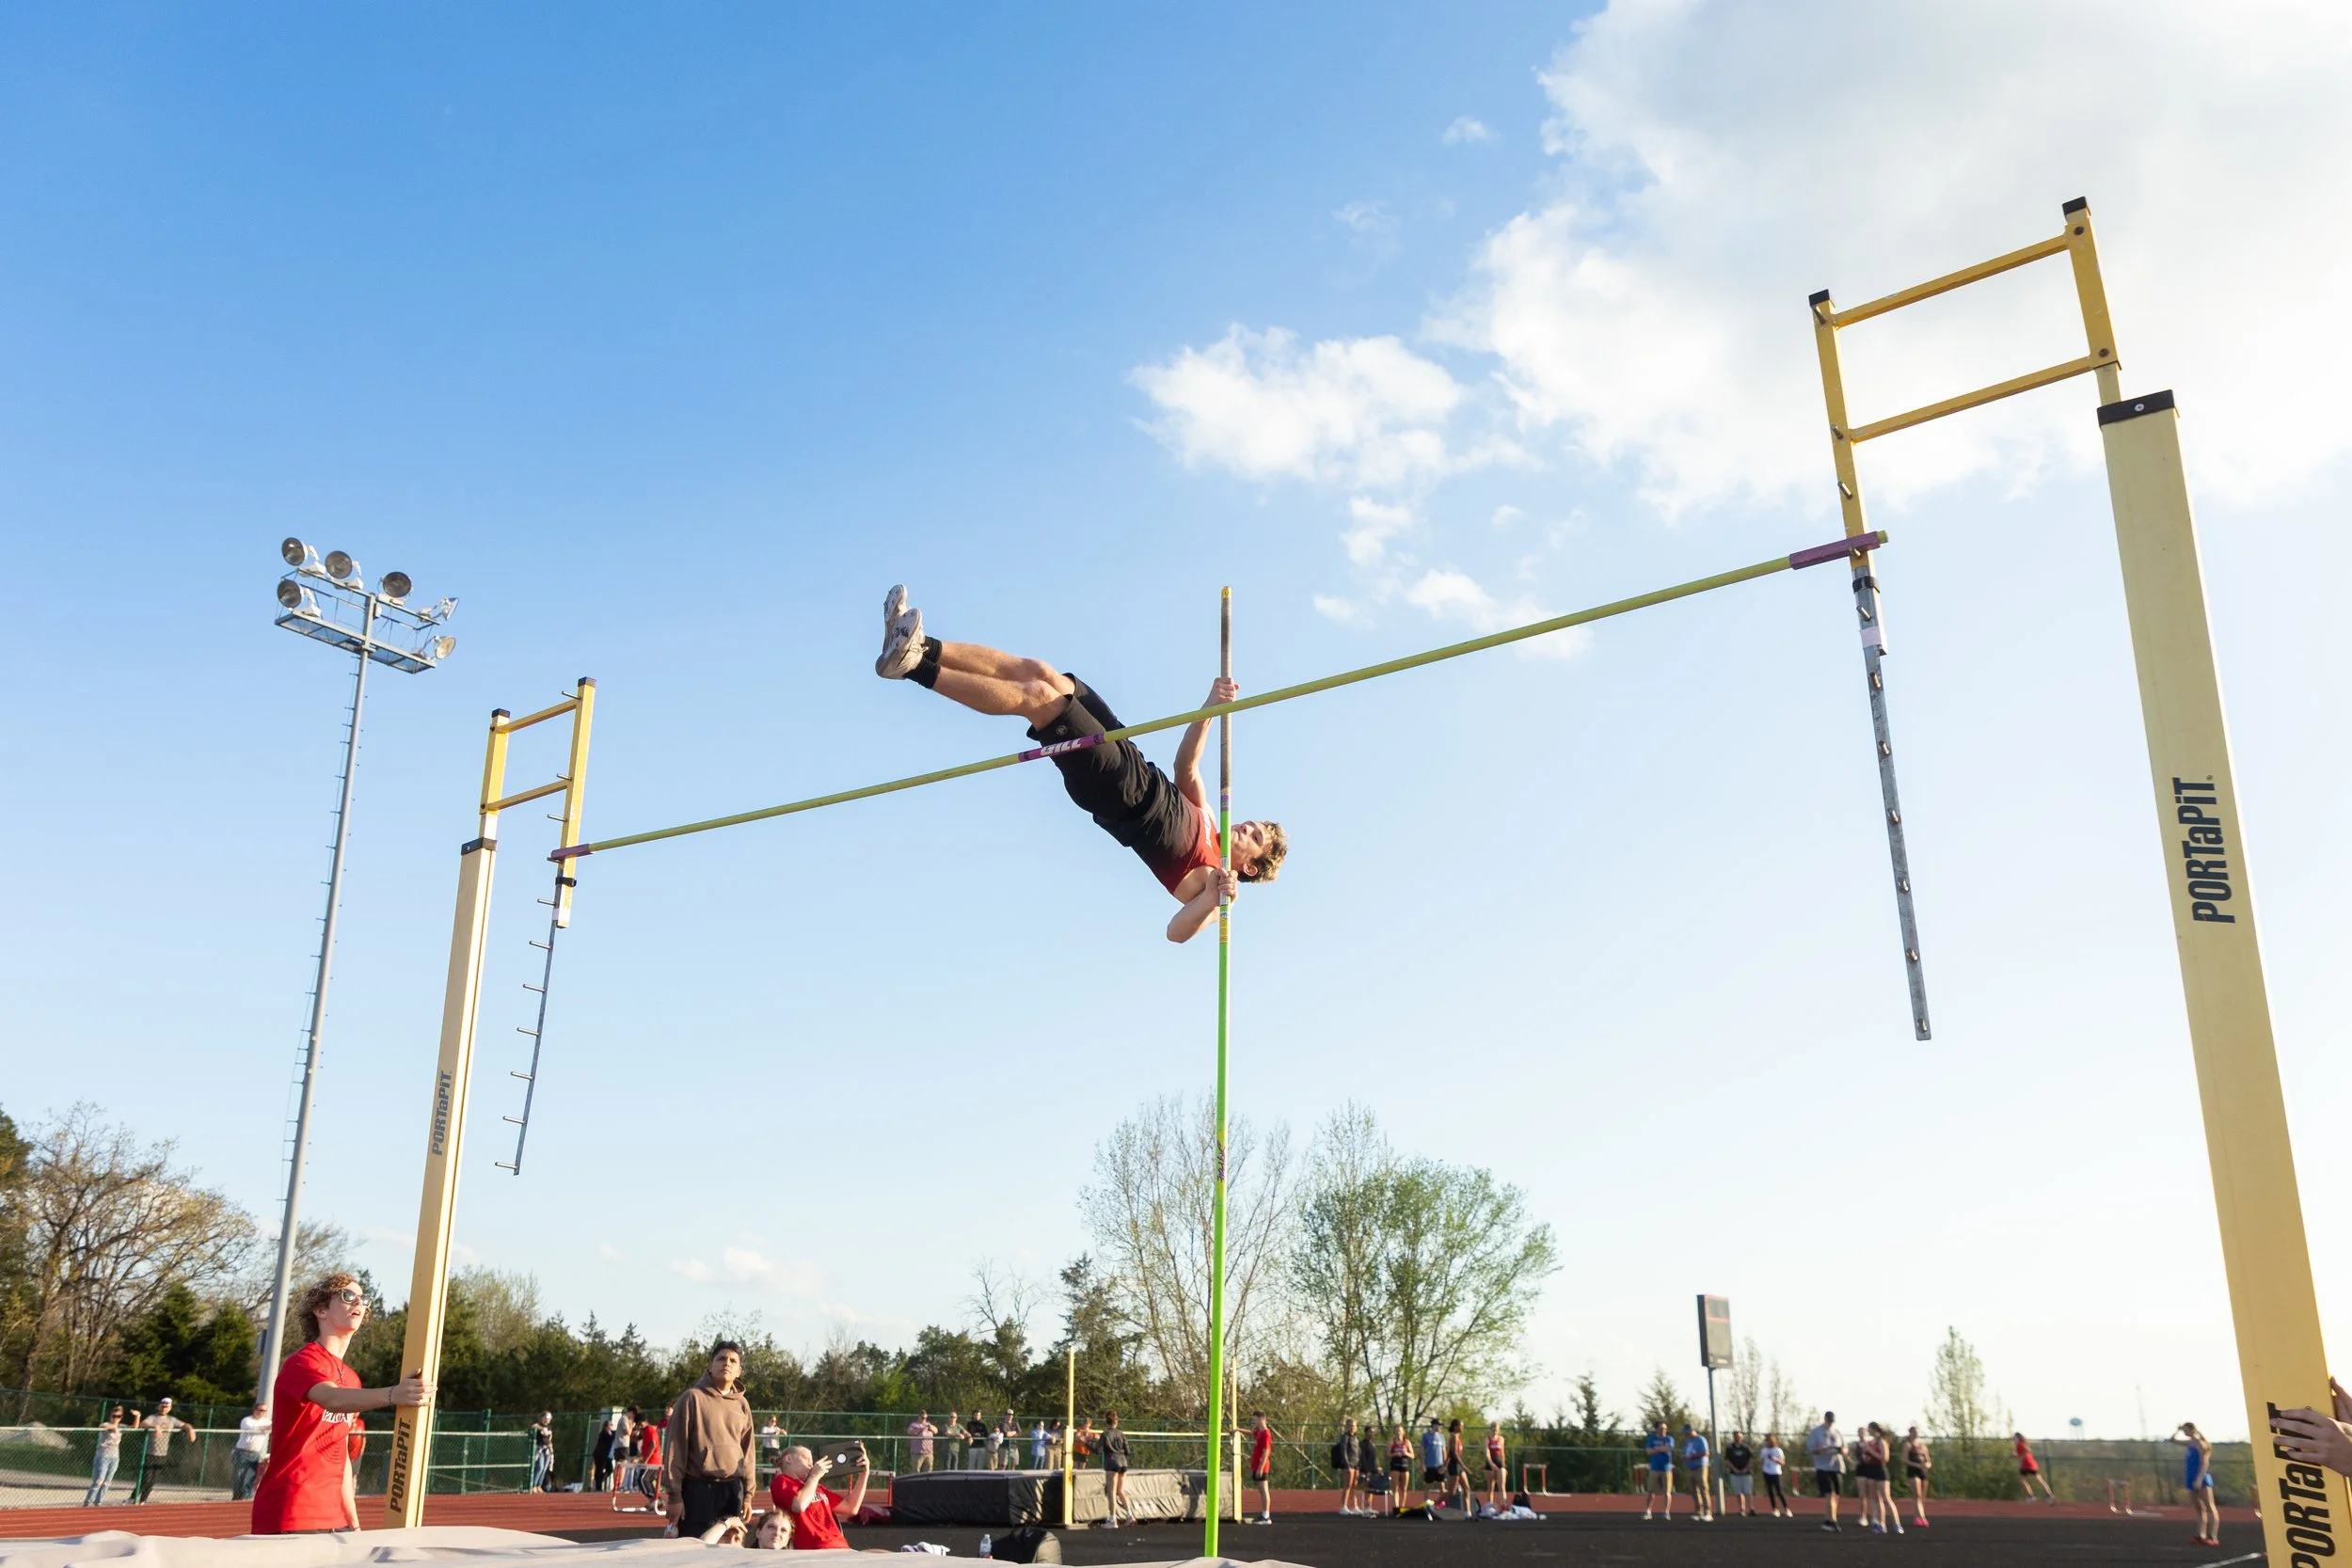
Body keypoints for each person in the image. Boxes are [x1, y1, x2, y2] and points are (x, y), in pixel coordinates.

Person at [874, 589, 1289, 941]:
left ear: (1250, 865)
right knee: (1043, 673)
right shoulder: (1211, 822)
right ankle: (918, 643)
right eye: (1250, 824)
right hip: (1134, 759)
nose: (1244, 826)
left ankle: (913, 668)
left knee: (1037, 697)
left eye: (1252, 836)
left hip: (1119, 793)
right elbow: (1187, 766)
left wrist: (1217, 896)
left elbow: (1176, 932)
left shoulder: (1213, 887)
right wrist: (1209, 707)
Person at [250, 1272, 430, 1533]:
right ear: (321, 1309)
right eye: (347, 1296)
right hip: (292, 1510)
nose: (358, 1303)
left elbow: (342, 1453)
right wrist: (393, 1394)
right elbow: (332, 1398)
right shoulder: (303, 1362)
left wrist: (352, 1518)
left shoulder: (353, 1378)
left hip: (335, 1518)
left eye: (362, 1298)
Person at [662, 1341, 756, 1539]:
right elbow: (675, 1450)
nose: (727, 1363)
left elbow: (748, 1453)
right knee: (694, 1551)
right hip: (697, 1490)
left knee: (729, 1552)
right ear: (710, 1365)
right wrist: (674, 1496)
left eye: (733, 1361)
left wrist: (748, 1495)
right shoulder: (691, 1398)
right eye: (721, 1359)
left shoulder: (742, 1404)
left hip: (732, 1491)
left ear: (739, 1371)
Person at [769, 1442, 870, 1551]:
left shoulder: (815, 1487)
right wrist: (814, 1476)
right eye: (806, 1459)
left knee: (885, 1556)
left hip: (840, 1546)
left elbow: (851, 1507)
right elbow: (799, 1505)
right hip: (816, 1548)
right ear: (788, 1459)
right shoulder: (781, 1481)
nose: (811, 1465)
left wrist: (864, 1474)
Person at [2171, 1421, 2219, 1546]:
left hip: (2201, 1478)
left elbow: (2205, 1463)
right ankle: (2200, 1535)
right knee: (2199, 1508)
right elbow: (2172, 1440)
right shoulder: (2190, 1443)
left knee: (2209, 1506)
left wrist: (2199, 1479)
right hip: (2191, 1478)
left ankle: (2213, 1536)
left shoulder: (2200, 1444)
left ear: (2192, 1430)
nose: (2185, 1433)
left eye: (2186, 1430)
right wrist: (2177, 1430)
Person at [132, 1397, 183, 1503]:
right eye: (163, 1406)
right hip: (150, 1453)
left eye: (166, 1407)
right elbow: (143, 1424)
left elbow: (184, 1425)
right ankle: (132, 1498)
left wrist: (190, 1429)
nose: (164, 1408)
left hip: (162, 1454)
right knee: (146, 1479)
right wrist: (155, 1426)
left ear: (170, 1408)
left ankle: (143, 1501)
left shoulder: (171, 1420)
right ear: (160, 1406)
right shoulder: (153, 1417)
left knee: (152, 1481)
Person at [1855, 1422, 1901, 1535]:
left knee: (1886, 1498)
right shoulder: (1870, 1442)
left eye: (1869, 1429)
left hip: (1880, 1471)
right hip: (1871, 1471)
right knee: (1875, 1499)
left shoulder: (1882, 1442)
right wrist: (1865, 1456)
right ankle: (1881, 1524)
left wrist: (1871, 1452)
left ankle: (1896, 1524)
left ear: (1875, 1429)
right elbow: (1867, 1458)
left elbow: (1885, 1459)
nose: (1868, 1431)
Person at [1805, 1411, 1844, 1532]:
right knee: (1829, 1494)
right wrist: (1822, 1450)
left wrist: (1842, 1451)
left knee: (1836, 1496)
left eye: (1832, 1422)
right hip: (1823, 1467)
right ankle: (1833, 1521)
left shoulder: (1837, 1432)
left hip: (1837, 1467)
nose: (1830, 1424)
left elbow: (1845, 1448)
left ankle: (1828, 1519)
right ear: (1825, 1419)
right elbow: (1811, 1449)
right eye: (1828, 1421)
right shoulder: (1816, 1432)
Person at [86, 1404, 130, 1506]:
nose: (115, 1418)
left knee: (107, 1482)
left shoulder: (121, 1426)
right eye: (114, 1416)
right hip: (103, 1456)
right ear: (110, 1416)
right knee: (98, 1480)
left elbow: (135, 1427)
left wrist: (137, 1416)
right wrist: (114, 1427)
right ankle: (88, 1502)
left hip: (114, 1457)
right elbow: (102, 1426)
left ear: (121, 1417)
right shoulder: (106, 1424)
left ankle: (98, 1502)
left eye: (118, 1416)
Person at [1098, 1411, 1133, 1528]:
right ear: (1116, 1422)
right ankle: (1130, 1515)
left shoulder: (1105, 1434)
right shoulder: (1121, 1433)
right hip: (1123, 1462)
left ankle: (1113, 1520)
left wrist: (1086, 1444)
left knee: (1112, 1492)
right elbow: (1128, 1451)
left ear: (1106, 1422)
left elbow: (1098, 1451)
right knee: (1121, 1491)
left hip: (1112, 1463)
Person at [231, 1403, 271, 1502]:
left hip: (256, 1453)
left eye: (264, 1411)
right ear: (255, 1410)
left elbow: (271, 1428)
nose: (262, 1413)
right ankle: (237, 1497)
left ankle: (247, 1491)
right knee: (239, 1476)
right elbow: (250, 1429)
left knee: (259, 1474)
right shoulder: (247, 1420)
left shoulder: (266, 1421)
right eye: (260, 1410)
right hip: (242, 1452)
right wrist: (264, 1428)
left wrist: (266, 1427)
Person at [1247, 1411, 1276, 1524]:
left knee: (1264, 1490)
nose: (1253, 1421)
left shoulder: (1266, 1434)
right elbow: (1251, 1433)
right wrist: (1238, 1430)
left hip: (1262, 1466)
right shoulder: (1259, 1432)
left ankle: (1266, 1516)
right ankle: (1264, 1513)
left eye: (1254, 1419)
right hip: (1256, 1465)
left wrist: (1260, 1468)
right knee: (1261, 1490)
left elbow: (1266, 1452)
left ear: (1260, 1419)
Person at [1643, 1420, 1675, 1520]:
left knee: (1667, 1492)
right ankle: (1648, 1511)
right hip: (1654, 1468)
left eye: (1665, 1428)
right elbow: (1648, 1451)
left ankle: (1666, 1512)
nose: (1663, 1430)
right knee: (1651, 1491)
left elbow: (1668, 1449)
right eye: (1661, 1429)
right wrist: (1661, 1449)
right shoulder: (1651, 1439)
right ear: (1657, 1429)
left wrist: (1655, 1449)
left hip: (1666, 1469)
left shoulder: (1669, 1439)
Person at [1901, 1426, 1932, 1528]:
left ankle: (1918, 1516)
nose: (1916, 1433)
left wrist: (1927, 1465)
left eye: (1917, 1432)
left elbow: (1928, 1461)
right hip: (1913, 1471)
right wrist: (1917, 1465)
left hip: (1922, 1472)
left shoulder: (1923, 1446)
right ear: (1910, 1433)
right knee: (1917, 1495)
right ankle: (1922, 1518)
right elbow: (1904, 1460)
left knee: (1922, 1497)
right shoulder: (1908, 1445)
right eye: (1914, 1432)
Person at [1682, 1423, 1713, 1521]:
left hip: (1700, 1466)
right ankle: (1698, 1511)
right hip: (1690, 1467)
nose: (1687, 1434)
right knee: (1693, 1490)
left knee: (1703, 1488)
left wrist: (1693, 1456)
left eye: (1689, 1432)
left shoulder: (1701, 1440)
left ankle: (1708, 1512)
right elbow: (1686, 1452)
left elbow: (1705, 1452)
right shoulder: (1687, 1442)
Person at [1332, 1418, 1363, 1516]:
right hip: (1348, 1465)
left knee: (1354, 1486)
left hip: (1356, 1464)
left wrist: (1359, 1465)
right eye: (1350, 1426)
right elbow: (1343, 1451)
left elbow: (1358, 1452)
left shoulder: (1356, 1438)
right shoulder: (1345, 1437)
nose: (1352, 1428)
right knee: (1347, 1485)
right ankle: (1343, 1507)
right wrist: (1347, 1465)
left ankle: (1355, 1506)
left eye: (1354, 1426)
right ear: (1347, 1427)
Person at [2012, 1431, 2054, 1502]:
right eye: (2014, 1438)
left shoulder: (2020, 1444)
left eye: (2015, 1438)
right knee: (2026, 1480)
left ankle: (2034, 1496)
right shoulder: (2018, 1446)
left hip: (2028, 1465)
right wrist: (2016, 1455)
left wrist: (2022, 1456)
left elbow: (2028, 1450)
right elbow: (2022, 1455)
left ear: (2019, 1438)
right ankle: (2046, 1495)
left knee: (2036, 1480)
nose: (2014, 1439)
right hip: (2027, 1465)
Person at [1722, 1430, 1755, 1517]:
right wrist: (1734, 1469)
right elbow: (1727, 1460)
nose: (1737, 1438)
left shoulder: (1746, 1447)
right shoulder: (1730, 1448)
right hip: (1735, 1473)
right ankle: (1741, 1509)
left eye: (1739, 1436)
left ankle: (1751, 1508)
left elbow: (1751, 1459)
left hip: (1746, 1473)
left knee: (1748, 1492)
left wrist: (1746, 1469)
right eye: (1736, 1436)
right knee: (1738, 1492)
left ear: (1742, 1437)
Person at [1759, 1432, 1790, 1518]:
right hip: (1766, 1472)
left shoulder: (1778, 1450)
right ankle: (1775, 1509)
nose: (1768, 1442)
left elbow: (1783, 1462)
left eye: (1769, 1440)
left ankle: (1787, 1509)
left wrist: (1775, 1459)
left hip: (1776, 1473)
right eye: (1767, 1440)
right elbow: (1762, 1461)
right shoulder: (1764, 1450)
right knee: (1770, 1492)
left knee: (1779, 1492)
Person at [1420, 1418, 1448, 1511]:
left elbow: (1444, 1451)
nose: (1440, 1427)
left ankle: (1442, 1505)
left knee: (1442, 1486)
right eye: (1439, 1425)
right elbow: (1422, 1450)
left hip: (1440, 1466)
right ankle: (1427, 1505)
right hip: (1429, 1465)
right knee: (1428, 1485)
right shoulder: (1426, 1436)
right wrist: (1423, 1464)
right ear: (1434, 1425)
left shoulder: (1442, 1437)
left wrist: (1445, 1465)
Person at [1444, 1418, 1470, 1515]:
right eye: (1461, 1426)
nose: (1462, 1428)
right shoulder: (1453, 1437)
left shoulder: (1458, 1437)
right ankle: (1434, 1505)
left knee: (1467, 1488)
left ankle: (1468, 1513)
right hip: (1455, 1465)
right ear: (1455, 1427)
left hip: (1459, 1466)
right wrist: (1464, 1466)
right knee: (1452, 1492)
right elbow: (1453, 1453)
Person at [529, 1411, 556, 1493]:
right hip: (540, 1449)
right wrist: (541, 1428)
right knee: (540, 1467)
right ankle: (533, 1485)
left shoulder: (549, 1427)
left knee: (544, 1468)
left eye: (549, 1419)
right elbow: (533, 1426)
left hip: (547, 1449)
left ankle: (539, 1486)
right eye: (546, 1418)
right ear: (542, 1418)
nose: (547, 1420)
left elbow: (549, 1435)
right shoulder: (538, 1425)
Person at [1484, 1422, 1507, 1512]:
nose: (1494, 1431)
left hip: (1499, 1463)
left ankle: (1503, 1504)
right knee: (1490, 1487)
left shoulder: (1501, 1439)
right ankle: (1490, 1506)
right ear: (1490, 1429)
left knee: (1502, 1486)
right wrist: (1491, 1463)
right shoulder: (1487, 1439)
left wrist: (1503, 1465)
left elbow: (1502, 1453)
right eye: (1493, 1429)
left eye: (1496, 1429)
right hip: (1490, 1464)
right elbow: (1487, 1452)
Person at [592, 1418, 619, 1491]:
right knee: (599, 1469)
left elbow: (616, 1433)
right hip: (599, 1454)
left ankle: (600, 1479)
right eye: (611, 1425)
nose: (612, 1426)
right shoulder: (603, 1433)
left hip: (606, 1456)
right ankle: (598, 1487)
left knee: (609, 1469)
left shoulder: (611, 1432)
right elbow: (609, 1439)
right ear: (606, 1426)